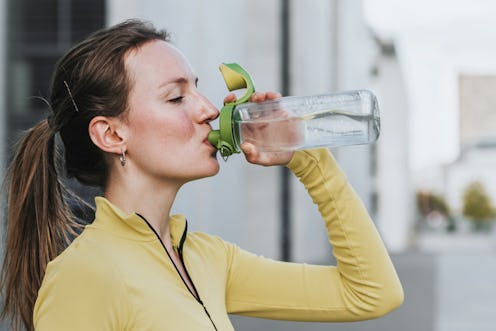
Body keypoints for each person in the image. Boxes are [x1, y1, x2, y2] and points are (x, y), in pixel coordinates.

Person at [0, 19, 403, 331]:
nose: (209, 109)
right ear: (111, 134)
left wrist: (307, 158)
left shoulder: (206, 258)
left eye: (197, 89)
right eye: (176, 97)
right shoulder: (85, 274)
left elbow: (370, 293)